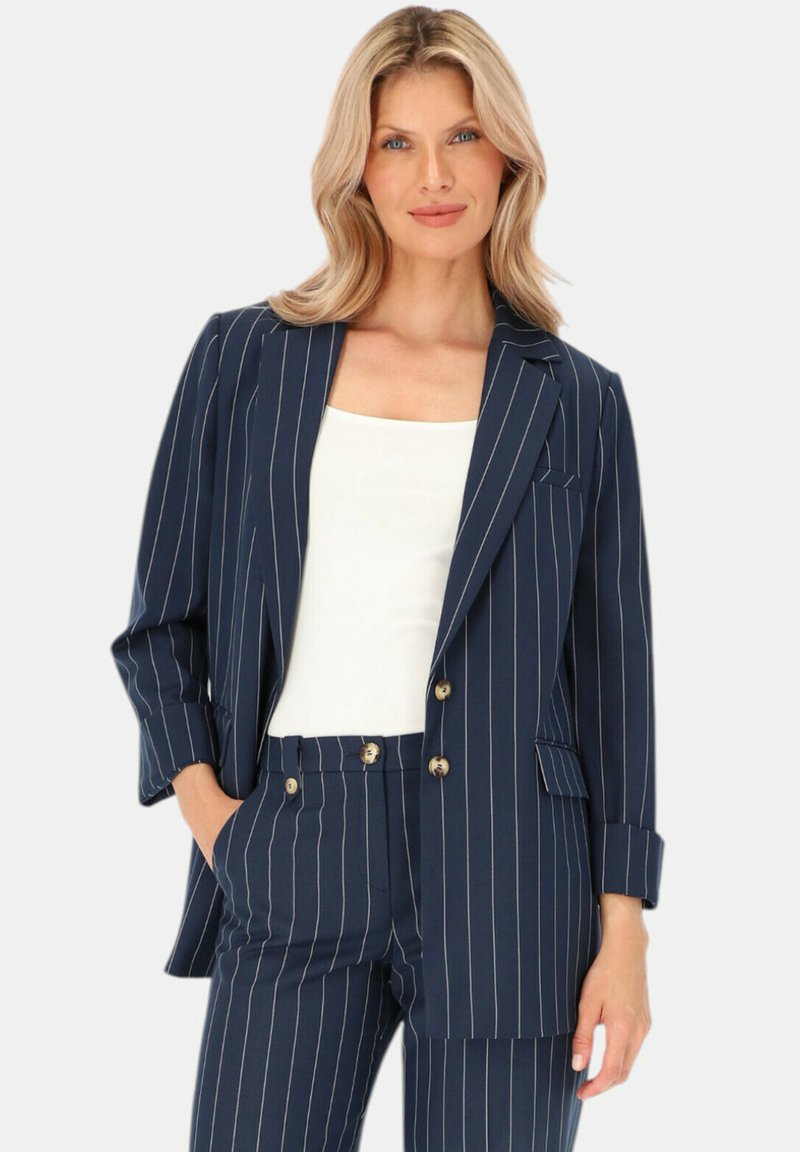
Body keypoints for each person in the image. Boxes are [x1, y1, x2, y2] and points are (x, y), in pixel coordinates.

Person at [109, 7, 665, 1150]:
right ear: (354, 166)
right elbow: (160, 627)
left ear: (507, 156)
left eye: (461, 137)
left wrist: (624, 929)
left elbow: (614, 685)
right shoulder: (244, 359)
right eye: (396, 142)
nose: (432, 176)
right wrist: (217, 822)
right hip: (294, 841)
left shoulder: (574, 400)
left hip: (513, 868)